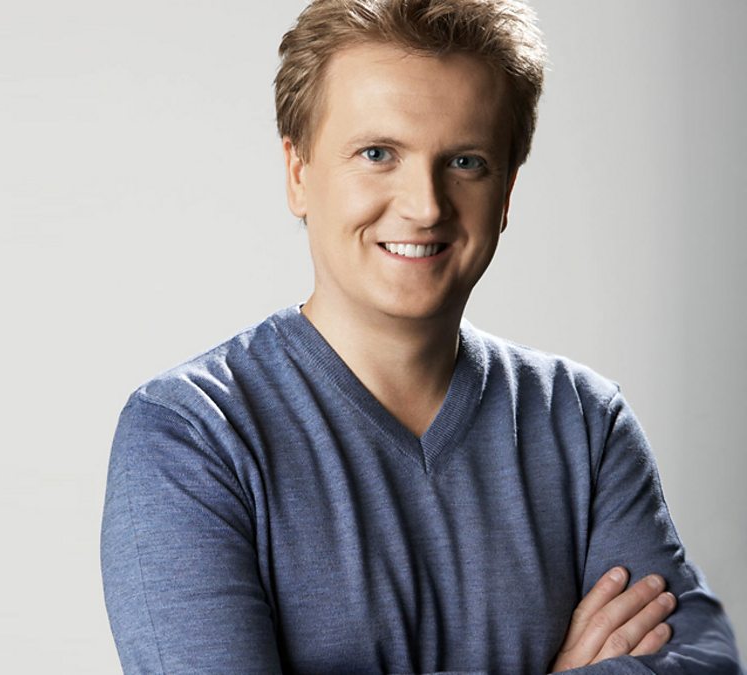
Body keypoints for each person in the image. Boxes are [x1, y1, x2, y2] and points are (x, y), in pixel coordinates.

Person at [100, 0, 743, 673]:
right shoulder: (191, 434)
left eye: (465, 161)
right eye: (378, 154)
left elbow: (704, 661)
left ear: (506, 191)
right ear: (298, 172)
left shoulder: (583, 423)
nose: (426, 205)